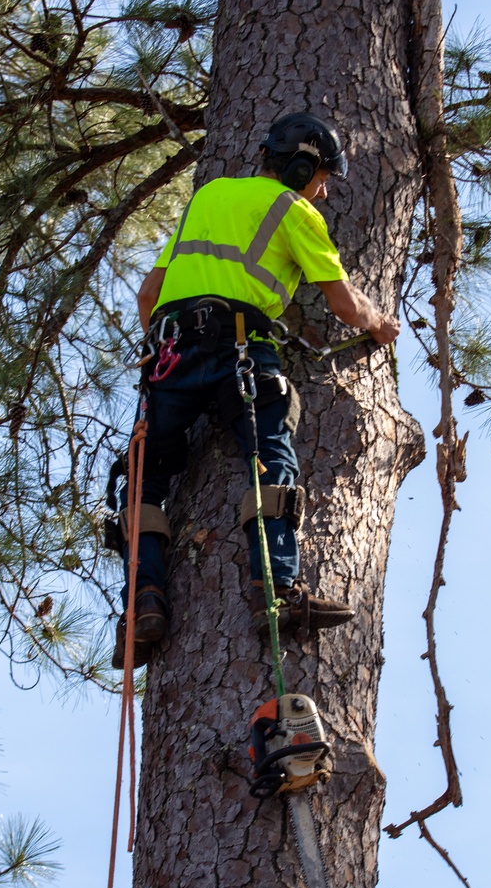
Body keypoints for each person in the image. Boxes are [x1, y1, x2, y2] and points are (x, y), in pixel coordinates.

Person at [113, 112, 401, 668]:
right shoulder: (295, 210)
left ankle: (144, 599)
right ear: (300, 167)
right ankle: (276, 589)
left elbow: (150, 293)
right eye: (322, 178)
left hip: (169, 351)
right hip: (241, 347)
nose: (323, 191)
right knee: (268, 456)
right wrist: (378, 324)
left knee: (144, 477)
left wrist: (163, 347)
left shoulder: (211, 196)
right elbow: (343, 303)